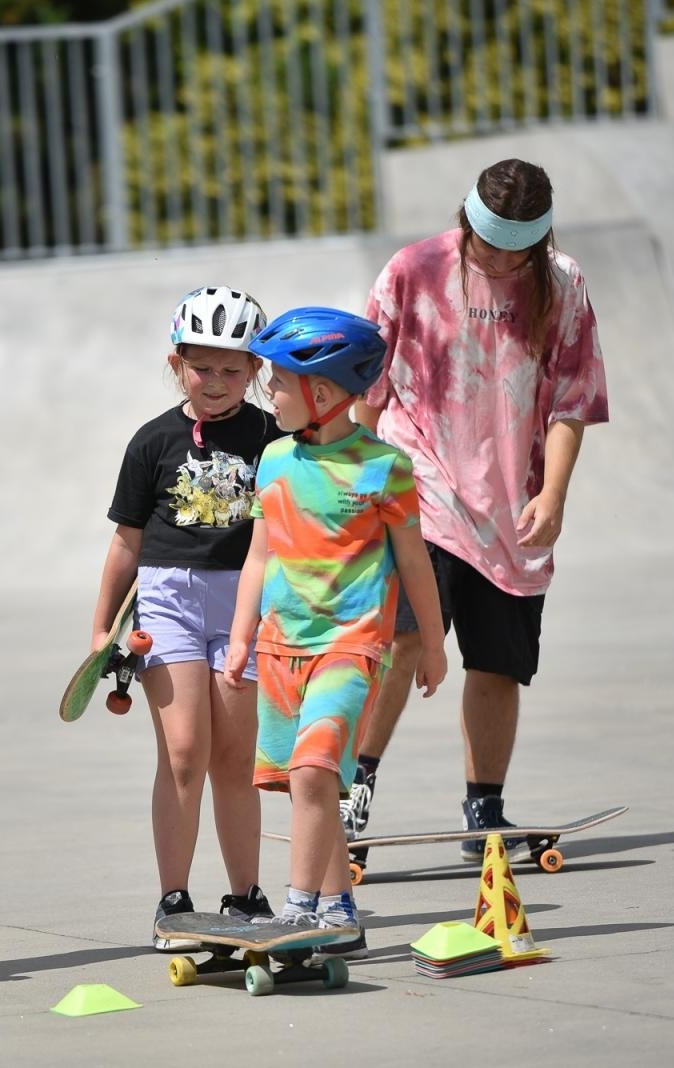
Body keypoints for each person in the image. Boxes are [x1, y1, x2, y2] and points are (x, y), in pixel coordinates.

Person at [343, 158, 608, 860]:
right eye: (488, 243)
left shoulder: (563, 284)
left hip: (512, 506)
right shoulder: (413, 270)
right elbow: (364, 390)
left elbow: (572, 402)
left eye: (515, 247)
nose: (498, 259)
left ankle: (484, 808)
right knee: (399, 643)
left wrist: (553, 494)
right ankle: (351, 794)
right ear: (466, 219)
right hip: (416, 491)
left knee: (498, 663)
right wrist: (350, 485)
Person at [226, 306, 448, 958]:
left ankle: (299, 912)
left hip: (352, 646)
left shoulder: (384, 468)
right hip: (279, 646)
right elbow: (258, 558)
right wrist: (241, 637)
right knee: (304, 785)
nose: (269, 391)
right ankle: (339, 913)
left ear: (320, 393)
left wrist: (433, 645)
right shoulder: (271, 460)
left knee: (315, 769)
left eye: (278, 381)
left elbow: (414, 563)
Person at [93, 286, 284, 949]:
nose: (217, 382)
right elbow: (126, 542)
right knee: (183, 754)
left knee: (235, 760)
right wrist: (101, 631)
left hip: (244, 607)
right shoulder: (152, 442)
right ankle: (173, 900)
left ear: (257, 371)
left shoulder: (273, 439)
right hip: (168, 601)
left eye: (234, 370)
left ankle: (245, 897)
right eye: (203, 367)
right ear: (177, 363)